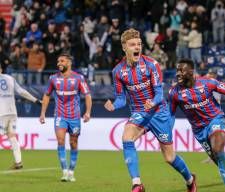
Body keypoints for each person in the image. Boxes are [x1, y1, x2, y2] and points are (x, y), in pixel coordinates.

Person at [104, 28, 196, 192]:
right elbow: (121, 99)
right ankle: (137, 183)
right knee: (127, 137)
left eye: (139, 44)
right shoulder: (118, 72)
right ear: (124, 47)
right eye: (132, 44)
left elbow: (160, 93)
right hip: (139, 113)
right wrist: (113, 105)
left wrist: (152, 102)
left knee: (169, 157)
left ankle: (190, 180)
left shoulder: (151, 65)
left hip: (159, 112)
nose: (137, 47)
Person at [168, 59, 225, 192]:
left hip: (215, 120)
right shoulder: (174, 92)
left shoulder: (207, 83)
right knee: (220, 160)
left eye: (182, 70)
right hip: (199, 130)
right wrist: (167, 131)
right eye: (177, 70)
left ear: (191, 72)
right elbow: (170, 114)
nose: (178, 74)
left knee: (217, 150)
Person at [39, 53, 92, 182]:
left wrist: (88, 112)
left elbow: (88, 95)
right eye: (58, 61)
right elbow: (46, 95)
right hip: (60, 116)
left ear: (69, 63)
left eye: (62, 61)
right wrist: (42, 113)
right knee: (61, 141)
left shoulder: (79, 78)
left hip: (74, 117)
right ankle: (64, 171)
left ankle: (71, 171)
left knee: (73, 143)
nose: (59, 63)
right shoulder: (53, 78)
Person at [0, 65, 41, 169]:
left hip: (1, 113)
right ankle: (18, 162)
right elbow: (22, 92)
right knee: (12, 137)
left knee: (11, 137)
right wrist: (35, 100)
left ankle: (18, 162)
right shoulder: (10, 78)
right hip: (12, 112)